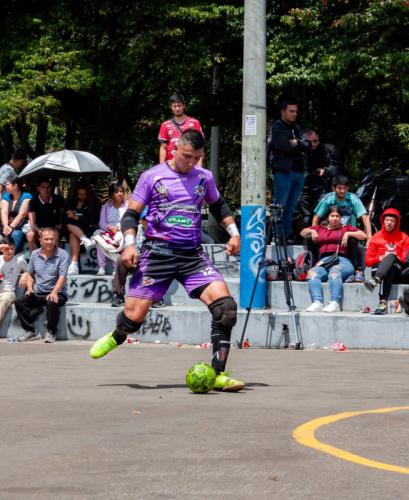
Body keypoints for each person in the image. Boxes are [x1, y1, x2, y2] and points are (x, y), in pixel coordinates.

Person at [90, 129, 244, 392]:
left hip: (192, 255)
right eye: (187, 156)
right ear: (175, 150)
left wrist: (234, 233)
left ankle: (218, 373)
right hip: (157, 253)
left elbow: (219, 206)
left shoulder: (204, 177)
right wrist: (129, 244)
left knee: (226, 308)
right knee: (133, 319)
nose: (191, 162)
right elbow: (131, 215)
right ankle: (118, 334)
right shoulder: (152, 176)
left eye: (197, 157)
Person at [300, 205, 367, 312]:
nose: (335, 218)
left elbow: (363, 235)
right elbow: (302, 232)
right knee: (312, 273)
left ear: (340, 218)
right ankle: (317, 302)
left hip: (342, 259)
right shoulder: (320, 228)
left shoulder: (345, 228)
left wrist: (348, 233)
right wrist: (312, 231)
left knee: (334, 272)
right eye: (332, 216)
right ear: (327, 217)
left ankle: (335, 303)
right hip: (325, 260)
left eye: (337, 216)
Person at [312, 174, 371, 282]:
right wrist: (314, 232)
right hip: (330, 231)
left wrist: (369, 238)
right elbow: (316, 217)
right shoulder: (328, 199)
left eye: (345, 188)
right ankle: (313, 265)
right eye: (339, 188)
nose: (342, 191)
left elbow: (365, 217)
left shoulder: (353, 199)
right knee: (310, 238)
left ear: (348, 188)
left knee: (352, 239)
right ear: (333, 188)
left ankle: (358, 269)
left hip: (349, 232)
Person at [15, 227, 69, 343]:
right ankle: (31, 331)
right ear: (40, 241)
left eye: (52, 239)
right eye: (46, 239)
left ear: (56, 240)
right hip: (39, 292)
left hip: (58, 293)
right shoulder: (34, 254)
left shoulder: (63, 254)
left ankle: (51, 332)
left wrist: (54, 292)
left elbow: (62, 276)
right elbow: (30, 274)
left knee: (52, 301)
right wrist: (30, 288)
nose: (49, 242)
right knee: (19, 301)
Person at [267, 99, 310, 243]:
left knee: (291, 207)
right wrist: (297, 144)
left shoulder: (297, 128)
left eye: (296, 111)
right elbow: (282, 146)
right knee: (280, 205)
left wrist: (296, 142)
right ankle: (279, 235)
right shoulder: (277, 127)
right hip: (283, 171)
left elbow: (307, 145)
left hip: (298, 171)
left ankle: (287, 234)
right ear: (283, 112)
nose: (294, 114)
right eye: (291, 111)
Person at [364, 208, 409, 315]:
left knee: (391, 257)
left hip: (398, 270)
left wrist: (394, 256)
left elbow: (405, 259)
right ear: (383, 221)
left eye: (392, 221)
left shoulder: (404, 237)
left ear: (397, 223)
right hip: (379, 269)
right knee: (388, 269)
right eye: (387, 220)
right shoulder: (375, 237)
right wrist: (380, 258)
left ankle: (376, 284)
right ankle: (382, 301)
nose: (389, 223)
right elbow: (368, 262)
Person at [298, 130, 343, 227]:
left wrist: (325, 171)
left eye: (315, 140)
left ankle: (320, 230)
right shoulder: (301, 152)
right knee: (304, 213)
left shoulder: (328, 149)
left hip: (323, 186)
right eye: (310, 142)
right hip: (305, 186)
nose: (313, 144)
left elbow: (337, 168)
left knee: (320, 210)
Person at [63, 180, 99, 275]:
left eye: (84, 194)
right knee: (71, 232)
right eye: (79, 194)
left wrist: (77, 217)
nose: (81, 196)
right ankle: (74, 263)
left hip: (88, 228)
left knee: (73, 233)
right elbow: (65, 216)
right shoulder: (72, 201)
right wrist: (70, 213)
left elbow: (93, 219)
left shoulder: (93, 203)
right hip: (73, 228)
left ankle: (74, 264)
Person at [158, 94, 204, 164]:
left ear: (184, 106)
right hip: (171, 164)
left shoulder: (195, 123)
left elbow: (200, 146)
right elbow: (163, 147)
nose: (177, 109)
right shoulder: (165, 125)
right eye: (174, 106)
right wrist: (162, 166)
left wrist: (199, 165)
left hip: (190, 164)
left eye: (179, 106)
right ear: (171, 107)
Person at [94, 183, 128, 276]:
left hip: (122, 230)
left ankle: (116, 267)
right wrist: (110, 228)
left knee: (118, 239)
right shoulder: (106, 206)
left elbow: (130, 220)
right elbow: (101, 222)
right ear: (111, 194)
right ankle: (101, 267)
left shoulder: (127, 205)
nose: (120, 193)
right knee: (99, 240)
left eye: (121, 191)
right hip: (108, 230)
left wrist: (119, 228)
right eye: (117, 192)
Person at [26, 178, 65, 251]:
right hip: (40, 228)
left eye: (48, 187)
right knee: (30, 235)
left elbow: (63, 216)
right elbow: (33, 224)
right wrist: (39, 230)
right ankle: (34, 256)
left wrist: (60, 224)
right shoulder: (33, 202)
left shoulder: (58, 199)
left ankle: (55, 255)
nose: (46, 189)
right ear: (38, 188)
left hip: (55, 228)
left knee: (54, 234)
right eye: (43, 187)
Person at [0, 175, 32, 253]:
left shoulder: (26, 196)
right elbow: (4, 212)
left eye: (8, 185)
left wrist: (11, 227)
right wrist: (6, 226)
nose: (6, 187)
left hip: (20, 226)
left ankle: (12, 255)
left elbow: (22, 214)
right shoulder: (6, 197)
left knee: (16, 234)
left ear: (15, 186)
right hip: (6, 225)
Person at [0, 236, 28, 323]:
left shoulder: (19, 260)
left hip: (8, 292)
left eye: (12, 249)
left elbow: (31, 270)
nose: (10, 251)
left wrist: (25, 274)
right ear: (2, 249)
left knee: (4, 300)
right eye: (7, 249)